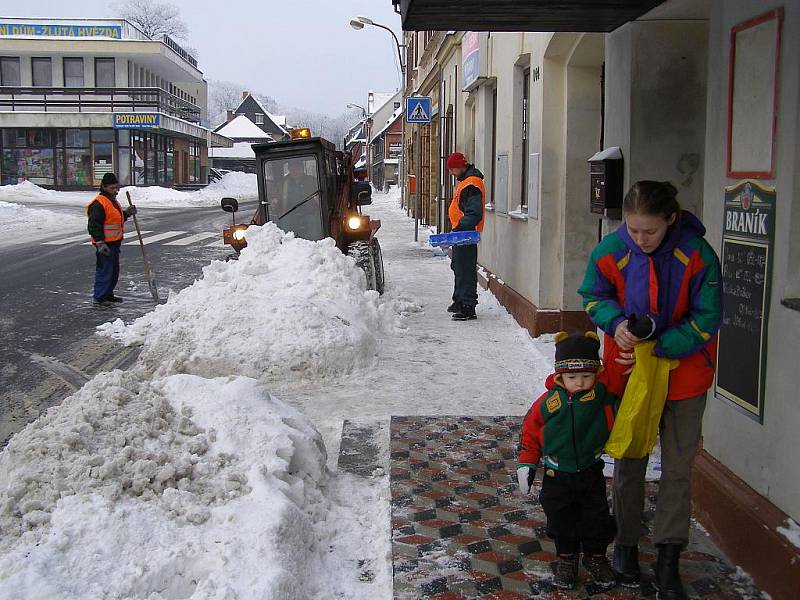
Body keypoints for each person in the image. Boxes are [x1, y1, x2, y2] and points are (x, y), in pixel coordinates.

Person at [578, 181, 722, 600]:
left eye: (650, 232)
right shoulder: (611, 250)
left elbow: (708, 315)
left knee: (677, 469)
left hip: (685, 375)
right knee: (629, 459)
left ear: (671, 220)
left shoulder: (697, 255)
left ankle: (668, 556)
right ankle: (624, 545)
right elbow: (592, 295)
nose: (640, 240)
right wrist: (617, 324)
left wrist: (660, 345)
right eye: (633, 230)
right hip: (628, 375)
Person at [517, 331, 618, 591]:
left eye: (587, 376)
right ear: (560, 377)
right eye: (573, 378)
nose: (580, 383)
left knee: (596, 516)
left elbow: (615, 376)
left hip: (589, 469)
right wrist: (527, 464)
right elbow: (530, 432)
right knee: (561, 518)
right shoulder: (550, 403)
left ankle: (596, 556)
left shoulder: (600, 396)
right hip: (556, 473)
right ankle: (567, 557)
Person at [446, 152, 485, 321]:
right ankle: (459, 300)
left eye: (453, 169)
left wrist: (461, 226)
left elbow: (474, 212)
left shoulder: (472, 184)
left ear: (460, 167)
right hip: (460, 233)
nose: (451, 173)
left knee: (466, 270)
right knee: (458, 267)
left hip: (466, 234)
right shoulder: (465, 182)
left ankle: (468, 307)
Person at [87, 172, 136, 305]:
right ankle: (100, 297)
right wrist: (100, 243)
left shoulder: (112, 201)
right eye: (112, 188)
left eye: (116, 187)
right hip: (105, 245)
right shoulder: (99, 204)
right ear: (104, 187)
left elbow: (115, 219)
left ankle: (108, 294)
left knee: (114, 271)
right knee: (104, 271)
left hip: (115, 243)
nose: (115, 191)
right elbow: (93, 225)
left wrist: (127, 213)